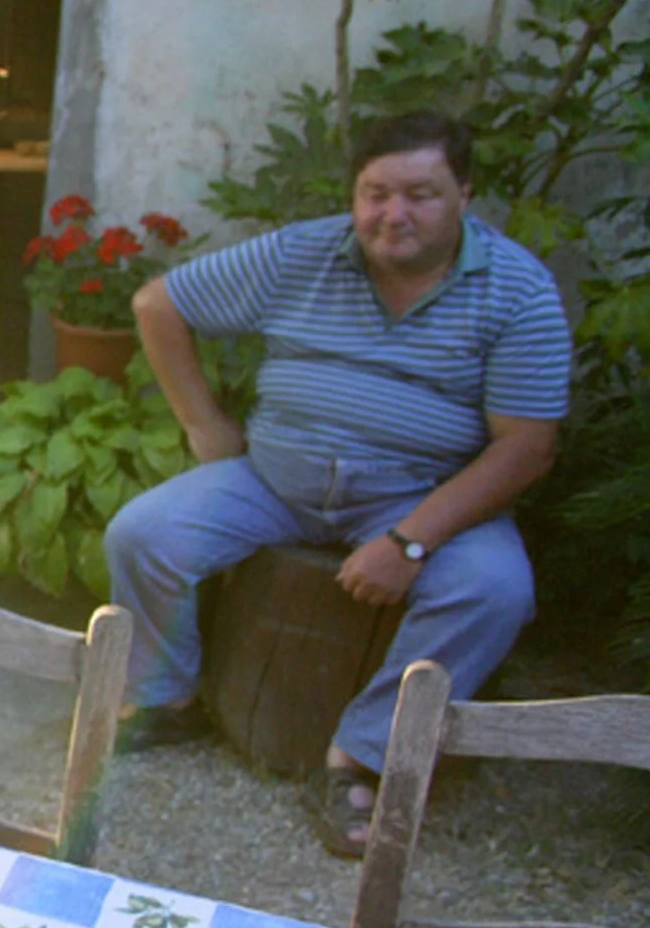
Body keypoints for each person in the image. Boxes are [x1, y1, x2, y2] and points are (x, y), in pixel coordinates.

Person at [103, 111, 569, 856]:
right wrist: (203, 425)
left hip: (418, 494)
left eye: (420, 194)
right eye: (375, 193)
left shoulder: (517, 292)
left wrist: (410, 542)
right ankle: (167, 699)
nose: (393, 214)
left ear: (464, 195)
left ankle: (361, 755)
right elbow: (158, 303)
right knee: (144, 533)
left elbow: (527, 449)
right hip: (276, 481)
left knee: (494, 591)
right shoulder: (306, 253)